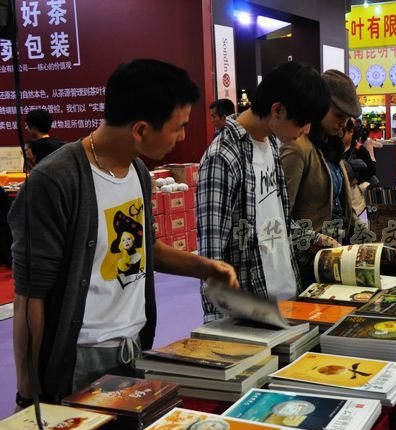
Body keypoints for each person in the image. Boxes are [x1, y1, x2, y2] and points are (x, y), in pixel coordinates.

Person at [8, 59, 239, 404]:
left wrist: (205, 268)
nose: (182, 137)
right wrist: (28, 392)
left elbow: (145, 248)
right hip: (79, 360)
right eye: (179, 127)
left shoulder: (139, 172)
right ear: (141, 129)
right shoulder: (55, 181)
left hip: (134, 347)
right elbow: (30, 295)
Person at [197, 62, 331, 323]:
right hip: (251, 311)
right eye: (303, 123)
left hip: (288, 296)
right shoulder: (222, 157)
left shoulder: (271, 142)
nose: (306, 131)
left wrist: (316, 240)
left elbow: (277, 220)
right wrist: (218, 329)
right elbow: (211, 255)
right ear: (277, 110)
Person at [280, 70, 362, 251]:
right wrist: (313, 240)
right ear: (319, 106)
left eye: (347, 118)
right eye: (339, 115)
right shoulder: (297, 147)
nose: (344, 123)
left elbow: (343, 205)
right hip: (310, 256)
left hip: (339, 249)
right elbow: (281, 215)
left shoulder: (331, 145)